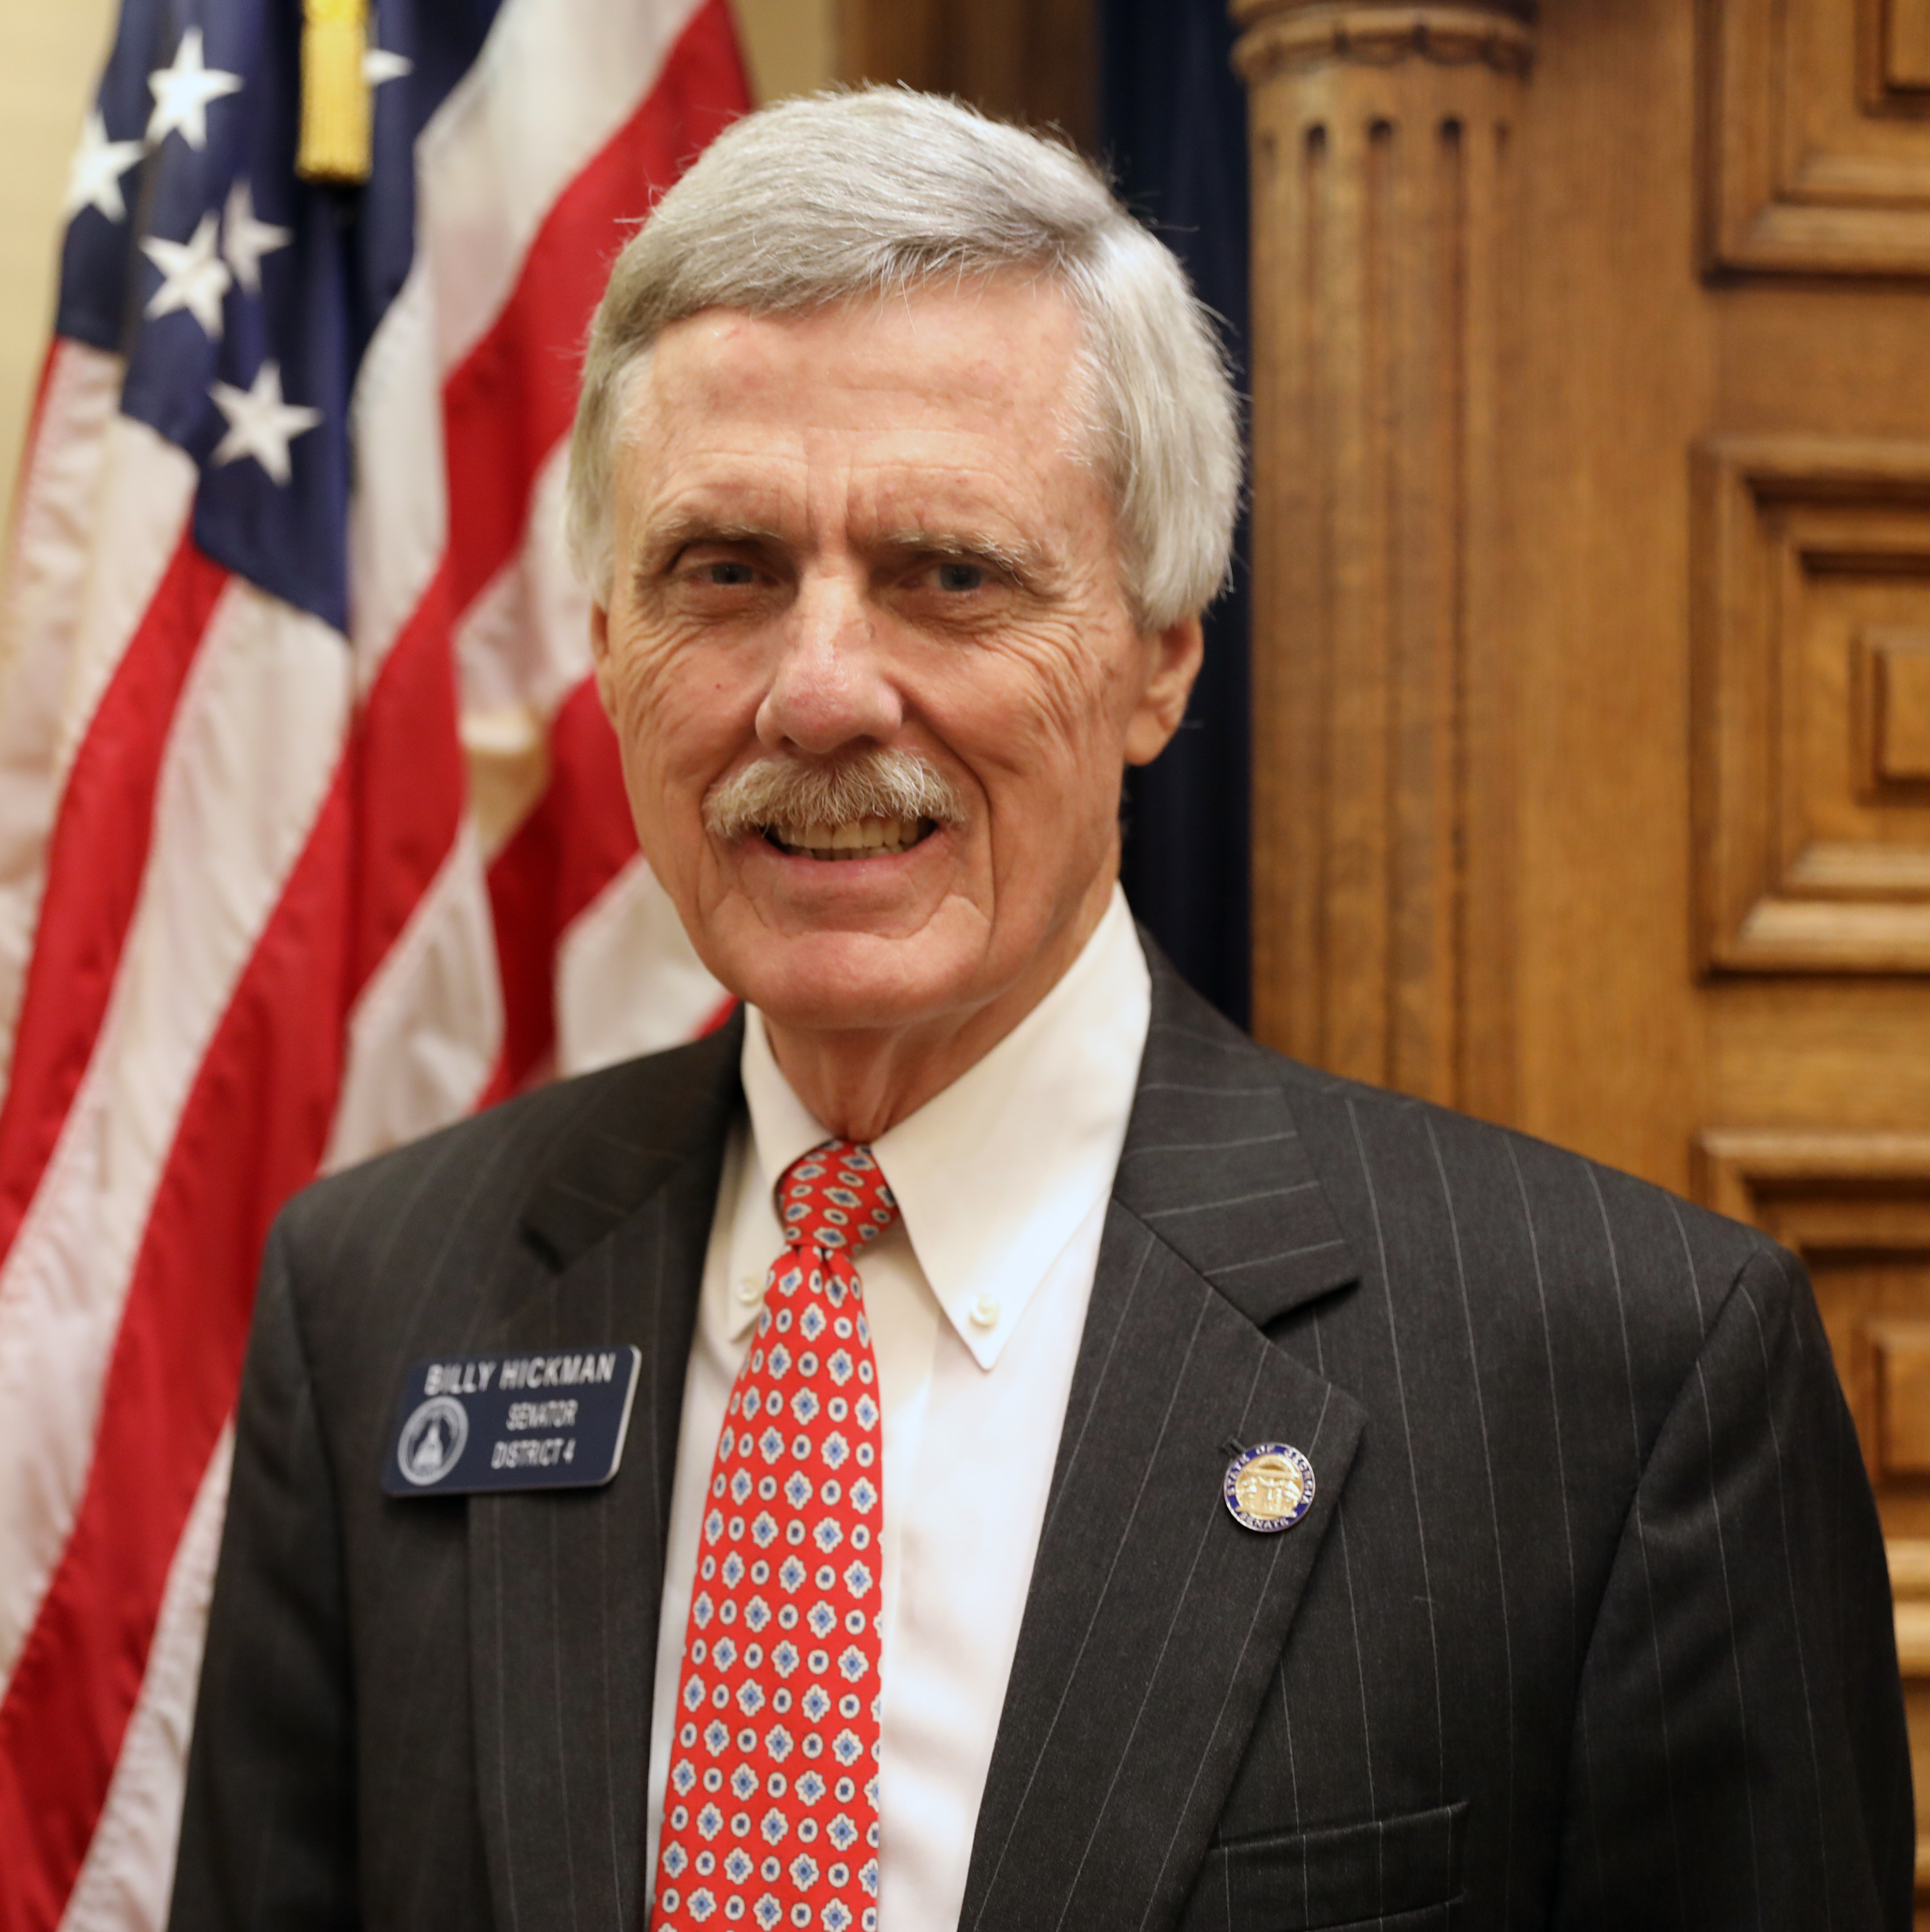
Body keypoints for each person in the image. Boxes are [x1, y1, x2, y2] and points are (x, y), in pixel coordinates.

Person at [169, 87, 1912, 1932]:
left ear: (1161, 653)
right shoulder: (378, 1305)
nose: (821, 694)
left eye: (952, 574)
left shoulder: (1618, 1389)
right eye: (727, 572)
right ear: (608, 645)